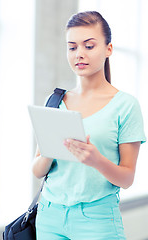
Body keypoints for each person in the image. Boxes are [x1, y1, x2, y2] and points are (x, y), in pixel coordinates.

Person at [32, 11, 146, 240]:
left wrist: (96, 160)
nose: (79, 54)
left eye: (89, 46)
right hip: (49, 216)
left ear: (108, 49)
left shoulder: (125, 106)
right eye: (72, 47)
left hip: (98, 220)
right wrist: (49, 150)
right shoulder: (54, 101)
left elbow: (126, 179)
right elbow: (37, 170)